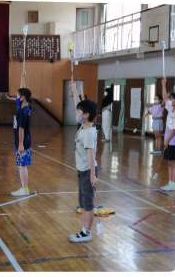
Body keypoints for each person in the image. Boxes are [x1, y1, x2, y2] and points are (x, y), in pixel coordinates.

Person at [68, 99, 98, 243]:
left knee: (88, 204)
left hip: (87, 171)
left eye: (78, 111)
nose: (76, 113)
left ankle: (87, 232)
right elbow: (78, 101)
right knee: (84, 203)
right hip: (82, 170)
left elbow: (91, 155)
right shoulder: (83, 127)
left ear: (86, 115)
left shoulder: (88, 133)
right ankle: (84, 230)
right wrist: (74, 90)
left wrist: (92, 175)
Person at [11, 88, 32, 197]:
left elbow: (21, 129)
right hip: (24, 140)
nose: (17, 97)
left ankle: (24, 189)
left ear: (23, 97)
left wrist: (20, 144)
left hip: (23, 142)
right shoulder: (26, 108)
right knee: (22, 165)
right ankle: (25, 188)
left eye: (18, 95)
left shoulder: (23, 111)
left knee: (22, 165)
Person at [160, 85, 175, 192]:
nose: (170, 100)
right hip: (168, 140)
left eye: (172, 99)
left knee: (174, 163)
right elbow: (164, 97)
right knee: (169, 163)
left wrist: (167, 140)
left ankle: (174, 184)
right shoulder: (171, 109)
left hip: (174, 141)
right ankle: (170, 183)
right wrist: (163, 85)